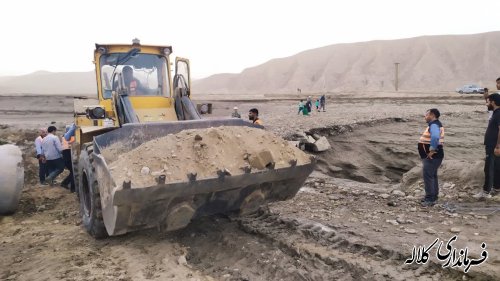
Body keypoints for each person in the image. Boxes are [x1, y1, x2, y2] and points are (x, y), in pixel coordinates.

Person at [473, 93, 500, 199]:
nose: (486, 104)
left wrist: (498, 146)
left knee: (488, 168)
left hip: (493, 146)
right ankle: (496, 188)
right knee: (496, 167)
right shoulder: (496, 113)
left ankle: (485, 192)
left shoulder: (498, 113)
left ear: (493, 102)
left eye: (487, 101)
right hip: (493, 145)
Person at [417, 108, 445, 206]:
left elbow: (435, 137)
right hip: (435, 156)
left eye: (426, 115)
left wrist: (432, 150)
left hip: (432, 156)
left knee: (428, 176)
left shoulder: (434, 125)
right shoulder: (436, 124)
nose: (425, 117)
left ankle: (430, 199)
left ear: (432, 115)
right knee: (432, 175)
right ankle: (433, 196)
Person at [60, 125, 75, 192]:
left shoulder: (64, 136)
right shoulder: (69, 138)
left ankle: (65, 183)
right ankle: (71, 187)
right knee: (73, 172)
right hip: (68, 157)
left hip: (66, 158)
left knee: (72, 172)